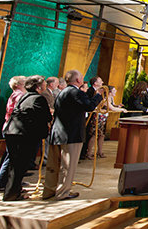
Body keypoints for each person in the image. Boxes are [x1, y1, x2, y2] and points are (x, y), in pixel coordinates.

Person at [42, 69, 102, 201]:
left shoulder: (62, 92)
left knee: (53, 165)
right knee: (68, 166)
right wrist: (98, 96)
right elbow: (89, 106)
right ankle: (63, 192)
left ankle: (49, 190)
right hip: (71, 134)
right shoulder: (76, 93)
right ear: (78, 80)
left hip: (57, 133)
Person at [2, 75, 52, 201]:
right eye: (44, 83)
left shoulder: (25, 96)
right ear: (38, 86)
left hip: (12, 132)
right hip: (24, 135)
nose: (46, 84)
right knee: (20, 165)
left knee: (15, 165)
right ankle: (11, 194)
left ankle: (14, 189)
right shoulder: (38, 98)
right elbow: (46, 117)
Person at [0, 75, 27, 193]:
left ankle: (11, 181)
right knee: (11, 158)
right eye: (23, 82)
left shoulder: (17, 94)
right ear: (17, 85)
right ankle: (1, 184)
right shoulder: (19, 95)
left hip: (11, 128)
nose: (26, 83)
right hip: (14, 128)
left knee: (11, 157)